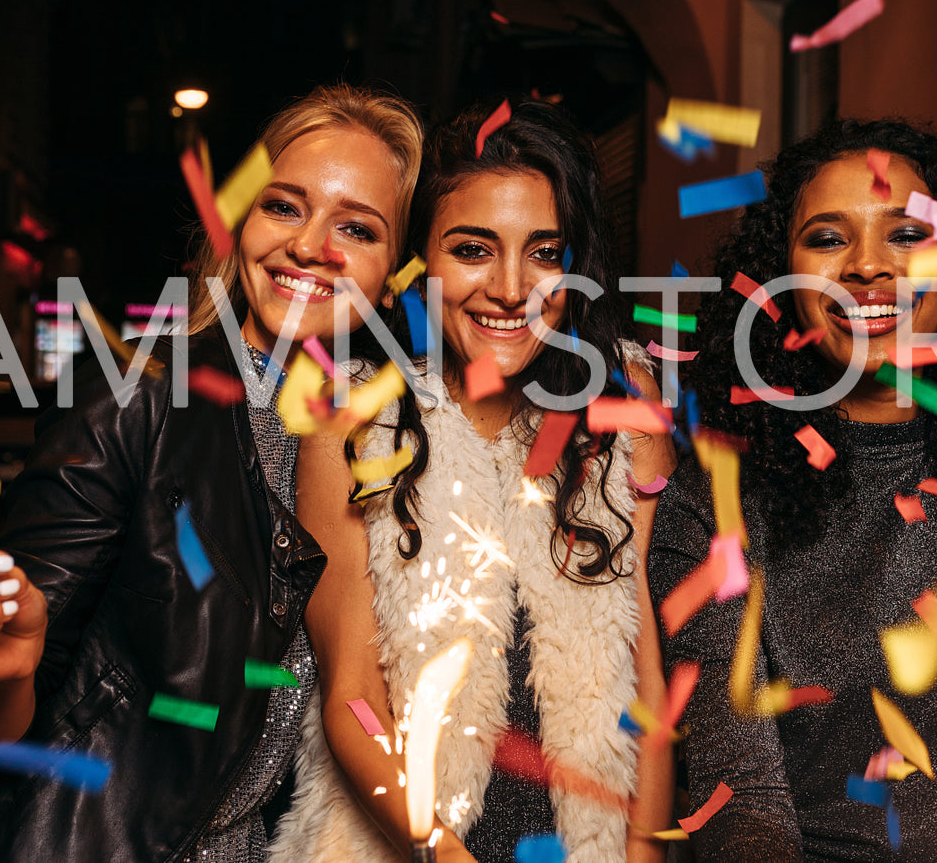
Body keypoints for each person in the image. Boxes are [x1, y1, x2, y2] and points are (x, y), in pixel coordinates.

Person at [0, 84, 424, 862]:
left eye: (356, 226)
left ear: (392, 272)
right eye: (283, 206)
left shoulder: (388, 447)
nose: (311, 245)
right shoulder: (134, 394)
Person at [648, 118, 937, 862]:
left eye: (905, 235)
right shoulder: (716, 495)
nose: (865, 267)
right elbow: (740, 798)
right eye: (826, 239)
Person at [268, 97, 676, 862]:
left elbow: (643, 666)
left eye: (545, 252)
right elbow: (351, 689)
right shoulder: (348, 419)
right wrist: (440, 850)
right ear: (416, 262)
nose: (511, 287)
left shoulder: (623, 405)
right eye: (473, 249)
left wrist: (646, 849)